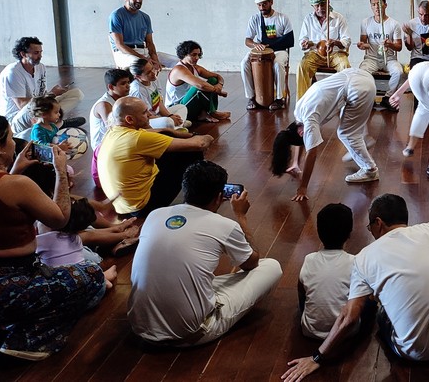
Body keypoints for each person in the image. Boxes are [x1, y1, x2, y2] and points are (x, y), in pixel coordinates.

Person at [282, 194, 429, 380]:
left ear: (378, 222)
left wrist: (317, 357)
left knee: (382, 312)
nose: (370, 230)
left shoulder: (364, 257)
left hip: (412, 353)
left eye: (370, 225)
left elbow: (349, 316)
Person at [127, 160, 282, 346]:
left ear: (185, 189)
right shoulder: (224, 225)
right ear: (219, 197)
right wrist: (241, 216)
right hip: (189, 334)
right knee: (271, 266)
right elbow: (252, 263)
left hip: (140, 328)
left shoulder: (155, 215)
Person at [0, 117, 104, 361]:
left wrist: (15, 171)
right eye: (10, 139)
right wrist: (60, 171)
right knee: (90, 275)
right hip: (11, 282)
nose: (15, 144)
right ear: (0, 147)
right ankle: (29, 339)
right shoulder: (19, 185)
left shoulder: (13, 182)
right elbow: (60, 219)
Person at [97, 97, 213, 218]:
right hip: (143, 206)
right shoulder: (137, 139)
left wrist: (172, 132)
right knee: (191, 151)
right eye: (144, 112)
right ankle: (201, 199)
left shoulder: (112, 132)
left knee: (166, 137)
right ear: (129, 119)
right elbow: (200, 144)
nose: (149, 115)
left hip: (121, 207)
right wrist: (203, 136)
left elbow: (158, 132)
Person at [271, 68, 379, 197]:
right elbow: (300, 138)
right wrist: (296, 163)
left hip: (359, 89)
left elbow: (311, 153)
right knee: (349, 127)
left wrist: (303, 187)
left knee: (347, 134)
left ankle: (370, 169)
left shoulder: (309, 121)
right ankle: (360, 147)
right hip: (361, 75)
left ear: (301, 133)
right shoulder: (299, 111)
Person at [0, 36, 85, 135]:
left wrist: (54, 94)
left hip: (36, 111)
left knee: (77, 94)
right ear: (23, 54)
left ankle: (54, 124)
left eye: (41, 52)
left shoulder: (41, 67)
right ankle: (55, 125)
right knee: (31, 107)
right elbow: (22, 105)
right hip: (16, 119)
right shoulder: (12, 72)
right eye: (36, 53)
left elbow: (43, 96)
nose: (40, 56)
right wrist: (52, 93)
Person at [298, 203, 356, 339]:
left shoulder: (309, 259)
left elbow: (301, 292)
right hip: (346, 333)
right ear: (349, 233)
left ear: (318, 232)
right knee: (369, 302)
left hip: (310, 331)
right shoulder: (355, 262)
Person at [36, 196, 117, 291]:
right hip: (89, 285)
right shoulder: (76, 237)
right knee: (88, 267)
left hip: (67, 290)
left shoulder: (40, 241)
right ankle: (103, 278)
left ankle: (103, 278)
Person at [241, 0, 294, 111]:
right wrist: (255, 44)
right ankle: (251, 97)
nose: (261, 7)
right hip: (261, 51)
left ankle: (279, 98)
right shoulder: (255, 18)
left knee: (277, 64)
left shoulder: (282, 18)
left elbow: (289, 41)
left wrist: (270, 45)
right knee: (244, 63)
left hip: (279, 51)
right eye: (259, 5)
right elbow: (247, 40)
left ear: (271, 2)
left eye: (264, 4)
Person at [297, 0, 352, 98]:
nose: (320, 8)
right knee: (302, 66)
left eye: (322, 5)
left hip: (335, 54)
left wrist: (335, 42)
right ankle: (303, 101)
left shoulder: (338, 18)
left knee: (345, 67)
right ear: (312, 6)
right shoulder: (308, 19)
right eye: (316, 6)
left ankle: (345, 100)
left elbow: (347, 41)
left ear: (328, 3)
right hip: (315, 53)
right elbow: (302, 39)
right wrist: (304, 44)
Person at [108, 0, 178, 69]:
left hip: (143, 52)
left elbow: (149, 43)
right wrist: (144, 59)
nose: (139, 0)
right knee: (144, 65)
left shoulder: (145, 17)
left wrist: (155, 59)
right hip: (124, 54)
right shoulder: (116, 15)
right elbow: (120, 45)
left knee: (180, 63)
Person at [356, 0, 404, 111]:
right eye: (373, 5)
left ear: (385, 5)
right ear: (371, 7)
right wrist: (362, 45)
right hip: (372, 58)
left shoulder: (394, 24)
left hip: (389, 59)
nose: (376, 7)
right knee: (362, 72)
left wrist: (390, 44)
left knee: (399, 72)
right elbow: (364, 43)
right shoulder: (365, 22)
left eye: (379, 4)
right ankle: (369, 98)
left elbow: (399, 47)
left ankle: (388, 98)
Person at [165, 40, 231, 124]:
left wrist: (220, 85)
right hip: (176, 109)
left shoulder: (195, 67)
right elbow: (201, 85)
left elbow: (217, 77)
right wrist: (218, 91)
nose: (197, 58)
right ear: (184, 54)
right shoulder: (179, 69)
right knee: (199, 88)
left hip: (187, 103)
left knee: (212, 81)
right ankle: (212, 112)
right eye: (193, 55)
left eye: (198, 55)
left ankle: (205, 113)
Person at [128, 59, 190, 131]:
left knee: (181, 107)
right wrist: (169, 118)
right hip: (147, 120)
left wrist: (170, 115)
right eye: (148, 72)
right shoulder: (138, 90)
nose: (153, 73)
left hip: (157, 115)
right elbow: (146, 116)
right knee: (167, 121)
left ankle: (177, 126)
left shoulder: (153, 79)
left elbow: (158, 102)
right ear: (138, 77)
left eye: (152, 69)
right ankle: (178, 126)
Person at [89, 68, 134, 151]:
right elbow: (115, 129)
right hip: (103, 147)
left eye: (128, 82)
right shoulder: (104, 105)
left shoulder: (123, 98)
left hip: (117, 139)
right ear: (111, 87)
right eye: (123, 83)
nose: (128, 86)